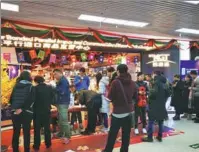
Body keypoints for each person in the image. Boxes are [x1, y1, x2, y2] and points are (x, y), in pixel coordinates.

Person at [103, 64, 137, 152]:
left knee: (113, 134)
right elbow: (135, 97)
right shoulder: (132, 83)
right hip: (129, 112)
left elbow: (110, 97)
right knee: (126, 134)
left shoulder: (115, 82)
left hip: (117, 112)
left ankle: (108, 150)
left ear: (118, 71)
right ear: (127, 71)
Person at [9, 71, 34, 152]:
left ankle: (15, 149)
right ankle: (27, 150)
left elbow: (11, 99)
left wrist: (16, 109)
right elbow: (31, 100)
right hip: (26, 112)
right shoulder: (31, 87)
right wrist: (22, 108)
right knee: (26, 132)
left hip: (15, 112)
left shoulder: (16, 86)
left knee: (16, 131)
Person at [142, 71, 168, 142]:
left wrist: (149, 95)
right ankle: (160, 137)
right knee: (160, 122)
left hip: (154, 104)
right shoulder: (165, 83)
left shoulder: (156, 82)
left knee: (151, 121)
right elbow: (168, 93)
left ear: (155, 75)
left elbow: (154, 93)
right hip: (162, 104)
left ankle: (149, 137)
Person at [33, 76, 54, 150]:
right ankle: (48, 144)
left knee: (37, 129)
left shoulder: (34, 88)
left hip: (37, 111)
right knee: (47, 128)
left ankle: (36, 146)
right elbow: (52, 98)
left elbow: (32, 100)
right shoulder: (49, 87)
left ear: (36, 81)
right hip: (46, 110)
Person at [53, 69, 71, 144]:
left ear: (60, 73)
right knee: (60, 119)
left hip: (63, 102)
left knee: (64, 120)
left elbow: (62, 92)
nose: (55, 76)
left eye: (56, 74)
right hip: (60, 102)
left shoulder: (63, 81)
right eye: (54, 74)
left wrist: (53, 88)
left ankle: (67, 136)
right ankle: (60, 133)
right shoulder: (61, 81)